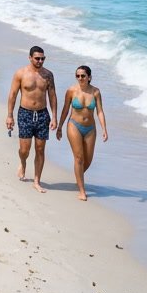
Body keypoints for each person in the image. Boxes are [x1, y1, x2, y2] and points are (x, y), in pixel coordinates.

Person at [5, 46, 57, 193]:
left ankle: (36, 181)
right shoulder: (21, 73)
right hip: (25, 113)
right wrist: (10, 115)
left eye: (43, 58)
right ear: (30, 58)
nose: (40, 61)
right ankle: (23, 162)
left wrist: (54, 117)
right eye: (37, 58)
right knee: (24, 150)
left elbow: (52, 96)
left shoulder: (48, 75)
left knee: (40, 149)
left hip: (42, 114)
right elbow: (13, 94)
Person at [56, 65, 108, 201]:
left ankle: (78, 176)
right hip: (74, 125)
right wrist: (60, 127)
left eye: (83, 76)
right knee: (79, 158)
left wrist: (104, 129)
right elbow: (65, 110)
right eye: (77, 76)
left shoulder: (96, 92)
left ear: (89, 77)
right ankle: (82, 191)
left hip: (90, 128)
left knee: (88, 160)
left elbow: (100, 111)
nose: (80, 78)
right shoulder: (71, 91)